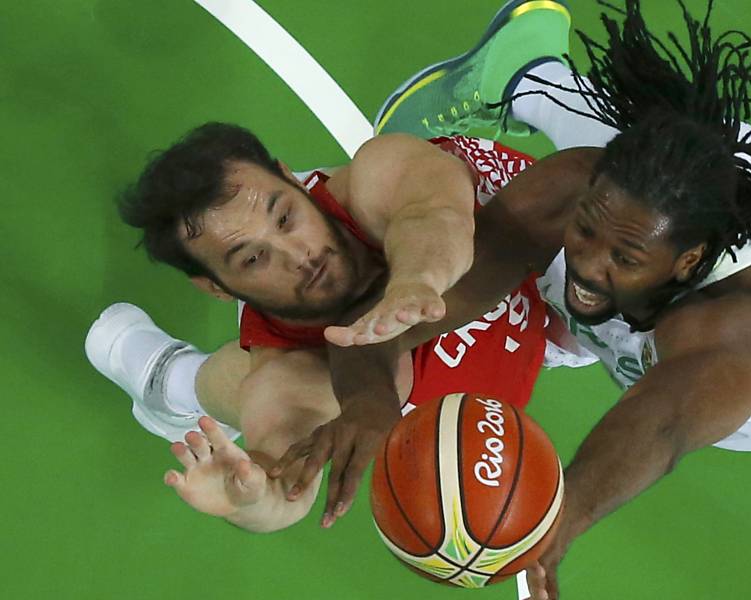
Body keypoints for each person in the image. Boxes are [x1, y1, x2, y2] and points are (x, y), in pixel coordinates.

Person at [281, 1, 751, 597]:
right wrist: (364, 402)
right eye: (584, 232)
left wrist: (557, 521)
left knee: (606, 268)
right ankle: (524, 70)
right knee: (656, 152)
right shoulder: (582, 189)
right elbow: (400, 317)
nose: (585, 261)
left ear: (688, 262)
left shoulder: (740, 327)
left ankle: (537, 85)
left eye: (623, 258)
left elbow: (660, 426)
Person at [85, 116, 596, 529]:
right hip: (496, 339)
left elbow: (437, 219)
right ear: (215, 287)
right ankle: (173, 380)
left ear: (292, 178)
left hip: (534, 264)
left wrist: (415, 282)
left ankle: (524, 92)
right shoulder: (291, 376)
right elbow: (284, 476)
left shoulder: (379, 174)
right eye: (253, 259)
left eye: (285, 217)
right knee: (252, 386)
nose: (300, 254)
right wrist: (250, 500)